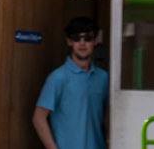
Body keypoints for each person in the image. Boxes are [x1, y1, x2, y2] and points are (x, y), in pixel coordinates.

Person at [32, 16, 109, 149]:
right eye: (76, 38)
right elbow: (38, 118)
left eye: (88, 38)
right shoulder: (58, 77)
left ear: (95, 40)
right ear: (69, 41)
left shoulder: (103, 77)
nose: (82, 43)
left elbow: (107, 114)